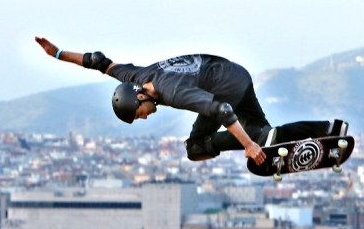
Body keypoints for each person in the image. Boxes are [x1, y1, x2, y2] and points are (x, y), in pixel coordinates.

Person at [35, 37, 346, 165]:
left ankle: (258, 139)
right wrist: (58, 54)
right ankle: (331, 128)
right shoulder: (135, 77)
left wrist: (249, 147)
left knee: (196, 148)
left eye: (139, 113)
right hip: (235, 74)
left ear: (140, 96)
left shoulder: (172, 91)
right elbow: (99, 61)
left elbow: (221, 109)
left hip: (225, 89)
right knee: (265, 134)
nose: (144, 117)